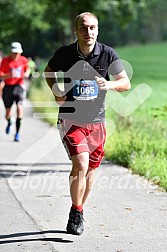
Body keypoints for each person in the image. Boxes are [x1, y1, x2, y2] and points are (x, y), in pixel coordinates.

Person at [44, 12, 131, 235]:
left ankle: (79, 210)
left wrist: (108, 85)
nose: (88, 32)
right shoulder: (65, 54)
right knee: (81, 164)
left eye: (92, 27)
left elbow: (125, 83)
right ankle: (76, 211)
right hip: (71, 119)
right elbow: (49, 71)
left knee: (91, 169)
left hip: (97, 121)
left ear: (98, 30)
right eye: (83, 28)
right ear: (76, 31)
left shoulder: (108, 54)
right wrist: (56, 91)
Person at [0, 42, 30, 141]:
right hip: (8, 87)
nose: (15, 55)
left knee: (19, 108)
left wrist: (26, 74)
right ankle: (9, 121)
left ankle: (17, 133)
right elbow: (0, 75)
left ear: (20, 52)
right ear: (11, 52)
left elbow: (27, 70)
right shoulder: (5, 61)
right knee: (7, 113)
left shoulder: (23, 60)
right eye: (14, 52)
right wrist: (9, 75)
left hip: (19, 86)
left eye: (17, 53)